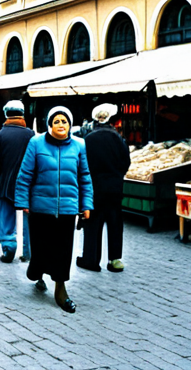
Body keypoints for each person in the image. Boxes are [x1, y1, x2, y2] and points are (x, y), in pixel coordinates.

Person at [15, 106, 93, 314]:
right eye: (56, 121)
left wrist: (86, 205)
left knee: (63, 250)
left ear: (70, 125)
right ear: (49, 125)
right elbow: (25, 174)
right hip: (40, 208)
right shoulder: (36, 143)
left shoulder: (79, 145)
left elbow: (84, 177)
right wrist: (22, 201)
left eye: (64, 121)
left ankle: (60, 289)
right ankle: (36, 272)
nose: (61, 125)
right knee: (41, 249)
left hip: (67, 209)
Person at [77, 103, 131, 273]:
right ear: (111, 120)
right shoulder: (119, 139)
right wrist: (116, 176)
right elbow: (126, 162)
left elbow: (81, 165)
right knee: (115, 222)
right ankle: (115, 260)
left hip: (94, 189)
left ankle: (91, 260)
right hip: (114, 188)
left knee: (92, 223)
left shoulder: (87, 140)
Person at [0, 101, 34, 263]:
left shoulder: (0, 136)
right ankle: (28, 251)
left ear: (6, 115)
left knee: (5, 216)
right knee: (28, 220)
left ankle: (9, 245)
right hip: (27, 186)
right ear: (23, 114)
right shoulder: (31, 135)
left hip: (4, 183)